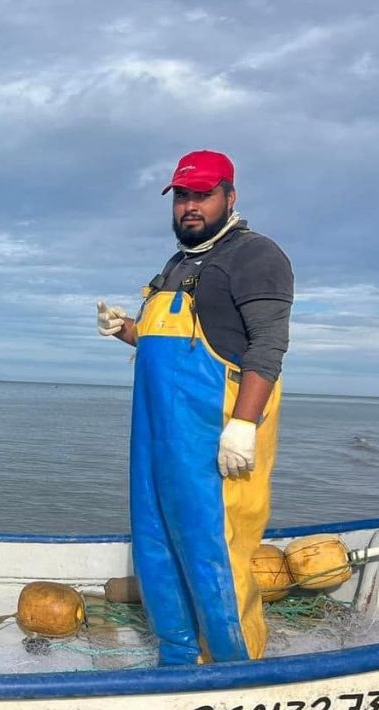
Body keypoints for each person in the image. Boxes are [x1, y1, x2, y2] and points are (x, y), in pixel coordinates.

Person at [96, 150, 293, 665]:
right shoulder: (179, 264)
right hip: (159, 440)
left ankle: (235, 667)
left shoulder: (256, 256)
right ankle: (179, 658)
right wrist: (127, 331)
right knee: (158, 545)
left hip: (216, 441)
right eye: (182, 195)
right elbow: (169, 345)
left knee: (216, 555)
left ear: (230, 196)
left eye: (202, 195)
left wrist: (243, 426)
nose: (190, 206)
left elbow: (267, 348)